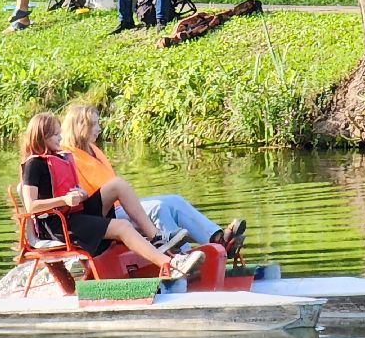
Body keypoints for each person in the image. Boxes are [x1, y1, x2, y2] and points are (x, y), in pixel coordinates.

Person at [19, 113, 203, 278]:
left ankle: (156, 237)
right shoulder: (34, 164)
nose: (61, 138)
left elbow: (68, 191)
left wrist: (80, 194)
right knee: (122, 226)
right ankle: (169, 263)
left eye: (60, 133)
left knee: (118, 185)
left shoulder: (60, 158)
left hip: (74, 214)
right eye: (55, 135)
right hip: (57, 224)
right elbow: (31, 206)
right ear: (42, 137)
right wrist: (64, 200)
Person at [60, 103, 246, 256]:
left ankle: (216, 239)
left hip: (119, 207)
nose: (99, 129)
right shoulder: (68, 156)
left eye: (98, 123)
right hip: (103, 216)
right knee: (159, 207)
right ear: (79, 127)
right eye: (94, 125)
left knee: (173, 200)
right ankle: (181, 256)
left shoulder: (94, 150)